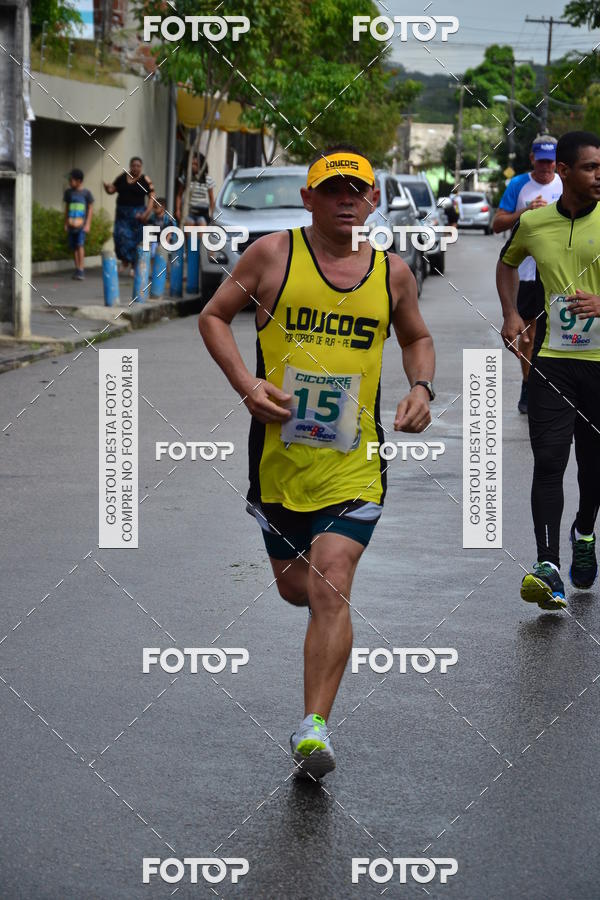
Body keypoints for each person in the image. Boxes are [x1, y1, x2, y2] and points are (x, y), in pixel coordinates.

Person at [199, 145, 435, 778]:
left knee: (331, 578)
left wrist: (421, 387)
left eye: (356, 190)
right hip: (277, 459)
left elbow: (415, 336)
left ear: (373, 200)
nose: (345, 199)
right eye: (331, 190)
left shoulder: (393, 273)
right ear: (309, 200)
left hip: (354, 462)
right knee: (295, 588)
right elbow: (214, 316)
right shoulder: (273, 255)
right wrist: (246, 384)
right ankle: (323, 629)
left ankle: (314, 728)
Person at [497, 130, 600, 611]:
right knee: (550, 461)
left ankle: (584, 532)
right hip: (554, 362)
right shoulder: (535, 223)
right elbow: (507, 262)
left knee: (594, 468)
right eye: (590, 167)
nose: (599, 175)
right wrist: (511, 314)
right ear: (563, 170)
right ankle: (547, 566)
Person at [493, 135, 563, 414]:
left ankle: (547, 386)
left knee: (553, 333)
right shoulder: (519, 184)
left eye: (551, 161)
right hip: (524, 273)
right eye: (542, 161)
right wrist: (525, 211)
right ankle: (528, 382)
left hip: (556, 272)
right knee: (525, 334)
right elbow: (497, 224)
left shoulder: (566, 183)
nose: (547, 167)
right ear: (533, 159)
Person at [103, 157, 155, 275]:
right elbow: (112, 190)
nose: (135, 168)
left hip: (137, 214)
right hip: (122, 214)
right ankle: (125, 260)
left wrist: (147, 212)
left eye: (138, 166)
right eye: (133, 165)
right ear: (130, 166)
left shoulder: (145, 179)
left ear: (141, 167)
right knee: (119, 236)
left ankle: (133, 265)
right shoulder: (122, 177)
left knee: (134, 239)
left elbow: (152, 196)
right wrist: (107, 188)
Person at [63, 168, 94, 281]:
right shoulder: (68, 193)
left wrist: (88, 224)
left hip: (81, 225)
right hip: (71, 224)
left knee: (80, 245)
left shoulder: (86, 193)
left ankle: (81, 269)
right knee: (74, 246)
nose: (69, 182)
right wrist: (66, 222)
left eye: (71, 180)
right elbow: (66, 208)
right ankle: (77, 268)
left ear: (79, 181)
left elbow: (90, 209)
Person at [175, 152, 215, 225]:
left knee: (201, 229)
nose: (193, 166)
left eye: (196, 164)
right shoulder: (185, 178)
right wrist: (177, 210)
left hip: (203, 213)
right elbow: (179, 195)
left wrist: (212, 213)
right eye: (192, 164)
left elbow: (211, 198)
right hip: (188, 212)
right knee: (190, 231)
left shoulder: (208, 180)